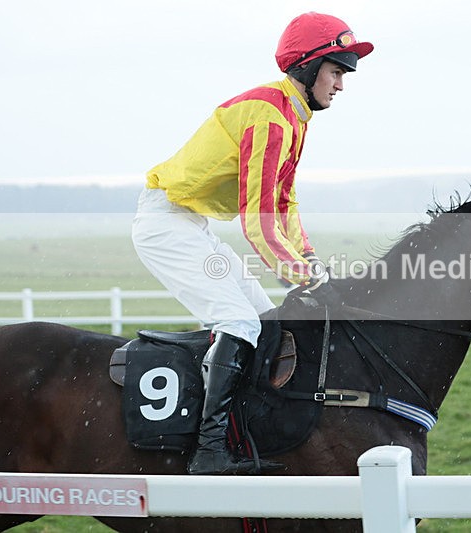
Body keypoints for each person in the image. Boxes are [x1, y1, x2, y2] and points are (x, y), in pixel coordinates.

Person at [131, 12, 374, 475]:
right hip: (166, 225)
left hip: (191, 225)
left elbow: (284, 202)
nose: (341, 84)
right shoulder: (270, 117)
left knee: (264, 323)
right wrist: (306, 280)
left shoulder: (294, 117)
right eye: (337, 71)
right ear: (308, 66)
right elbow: (258, 222)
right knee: (239, 321)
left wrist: (311, 263)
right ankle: (209, 450)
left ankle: (245, 433)